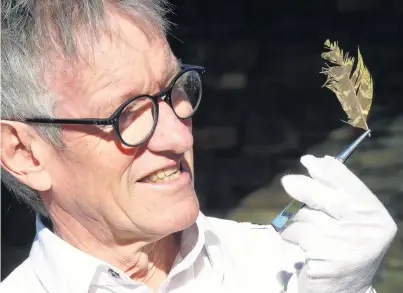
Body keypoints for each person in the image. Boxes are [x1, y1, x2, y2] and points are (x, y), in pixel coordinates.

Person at [0, 1, 397, 292]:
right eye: (126, 113)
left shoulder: (288, 266)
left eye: (174, 89)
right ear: (24, 153)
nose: (180, 137)